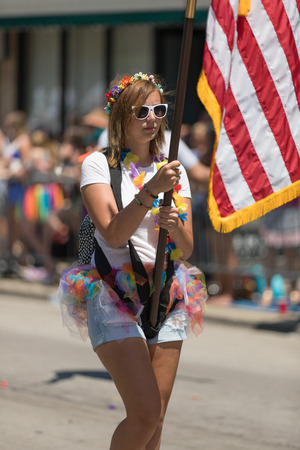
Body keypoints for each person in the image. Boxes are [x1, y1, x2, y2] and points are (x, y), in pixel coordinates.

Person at [58, 72, 207, 450]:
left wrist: (175, 226)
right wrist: (150, 193)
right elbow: (111, 233)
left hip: (167, 292)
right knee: (143, 414)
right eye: (142, 111)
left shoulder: (173, 169)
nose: (152, 118)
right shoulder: (98, 165)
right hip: (112, 294)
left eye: (159, 109)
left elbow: (185, 250)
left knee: (154, 421)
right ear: (121, 115)